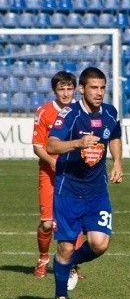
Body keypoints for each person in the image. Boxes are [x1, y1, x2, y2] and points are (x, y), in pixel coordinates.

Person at [46, 67, 123, 299]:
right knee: (65, 248)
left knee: (99, 244)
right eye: (94, 88)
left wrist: (118, 163)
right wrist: (78, 143)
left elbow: (115, 136)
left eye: (102, 88)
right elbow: (51, 144)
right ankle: (60, 298)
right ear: (82, 89)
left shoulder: (110, 112)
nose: (99, 93)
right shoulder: (70, 115)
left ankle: (70, 265)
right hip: (68, 192)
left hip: (97, 192)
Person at [32, 71, 85, 280]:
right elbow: (37, 146)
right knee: (47, 223)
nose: (65, 93)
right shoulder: (44, 112)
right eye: (61, 89)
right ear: (55, 90)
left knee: (74, 221)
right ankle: (43, 257)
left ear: (75, 89)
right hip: (49, 172)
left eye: (69, 88)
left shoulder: (81, 112)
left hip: (73, 174)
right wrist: (53, 161)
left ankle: (72, 265)